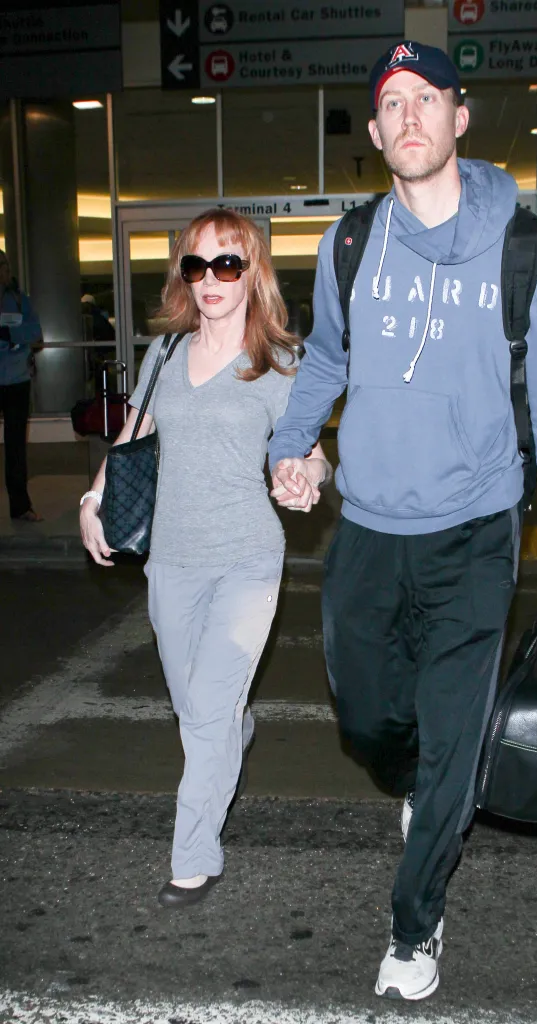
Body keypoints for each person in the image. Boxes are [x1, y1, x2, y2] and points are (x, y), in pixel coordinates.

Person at [269, 41, 537, 1001]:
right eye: (391, 104)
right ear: (374, 135)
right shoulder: (349, 244)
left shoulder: (522, 245)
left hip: (477, 529)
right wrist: (293, 445)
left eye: (427, 98)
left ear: (460, 118)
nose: (409, 115)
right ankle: (417, 782)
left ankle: (414, 931)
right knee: (369, 721)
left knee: (455, 735)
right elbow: (325, 359)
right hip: (368, 527)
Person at [80, 209, 330, 908]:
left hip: (247, 558)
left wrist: (305, 479)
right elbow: (134, 435)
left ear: (253, 272)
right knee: (202, 710)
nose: (211, 278)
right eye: (197, 264)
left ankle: (193, 855)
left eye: (227, 263)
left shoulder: (280, 362)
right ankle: (236, 731)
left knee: (206, 712)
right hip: (172, 560)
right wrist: (91, 499)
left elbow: (312, 454)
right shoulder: (164, 354)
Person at [0, 250, 43, 522]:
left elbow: (36, 333)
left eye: (3, 264)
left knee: (15, 447)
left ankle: (20, 507)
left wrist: (8, 334)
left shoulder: (18, 299)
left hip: (17, 382)